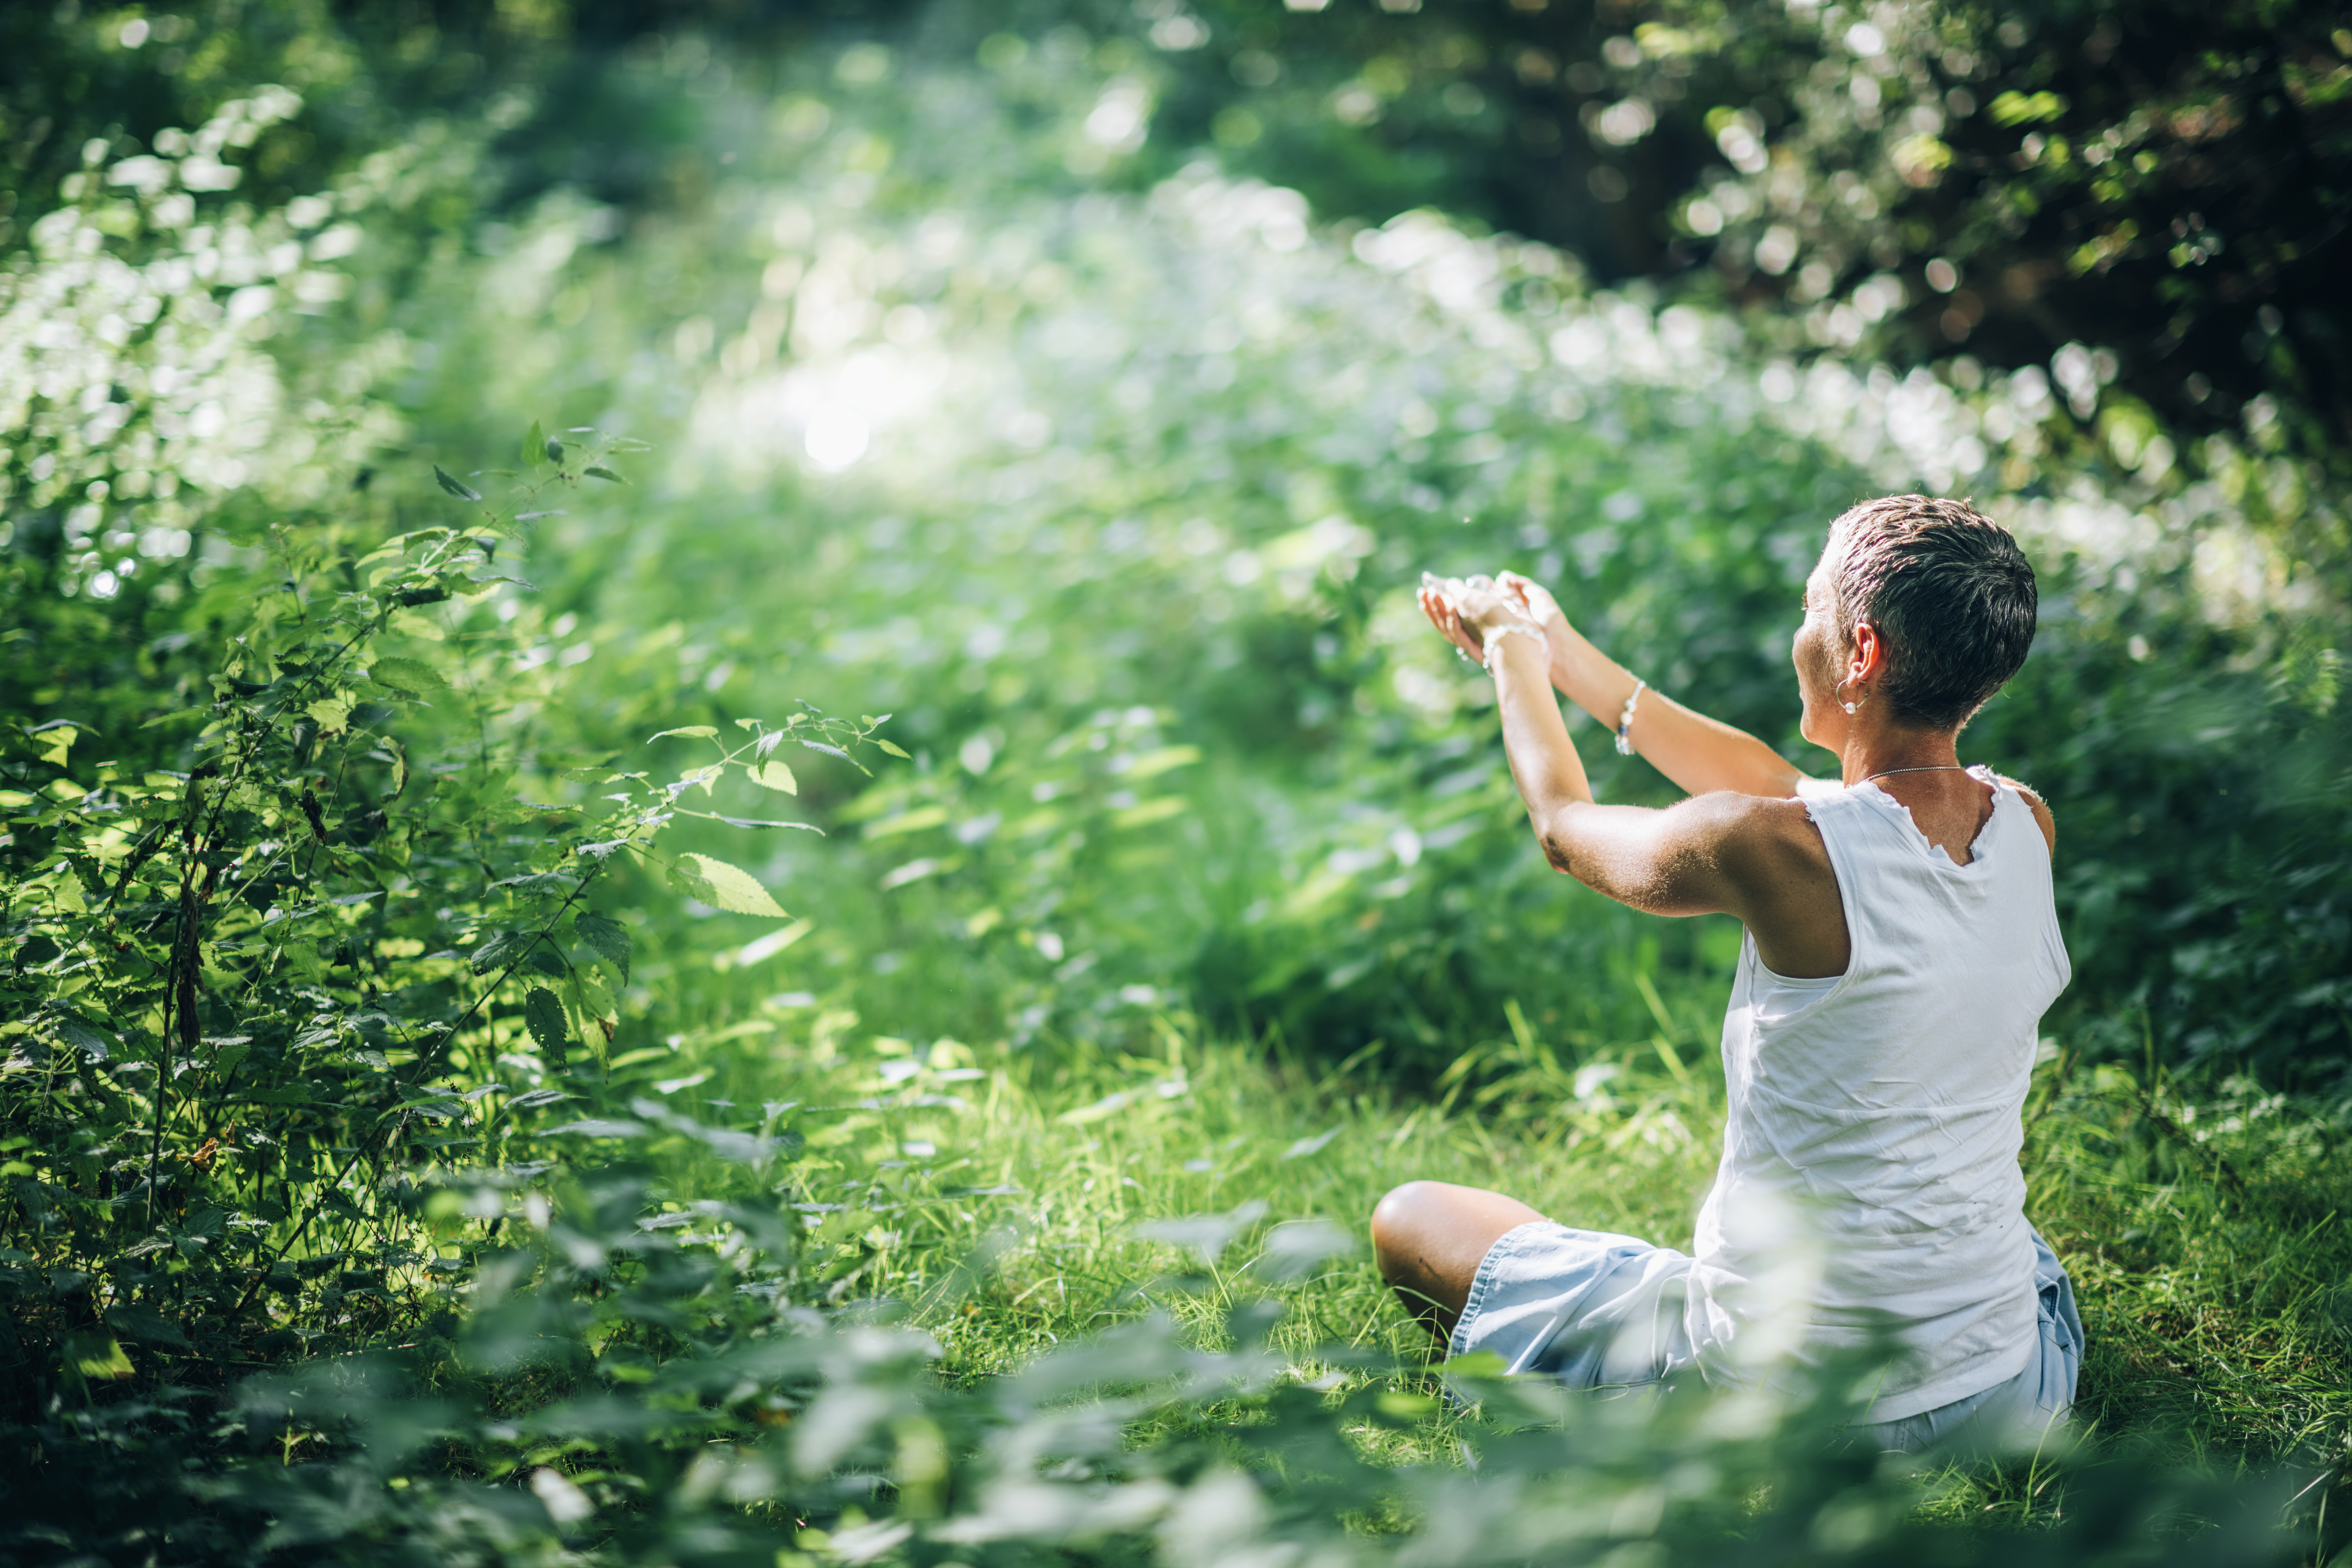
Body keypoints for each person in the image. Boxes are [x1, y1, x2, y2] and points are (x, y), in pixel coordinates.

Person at [1373, 494, 2080, 1453]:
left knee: (1414, 1219)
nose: (1801, 634)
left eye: (1810, 609)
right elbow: (1790, 791)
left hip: (1794, 1402)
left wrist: (1509, 653)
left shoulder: (1770, 849)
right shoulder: (2023, 825)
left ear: (1860, 655)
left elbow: (1565, 830)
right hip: (2010, 1388)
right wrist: (1566, 653)